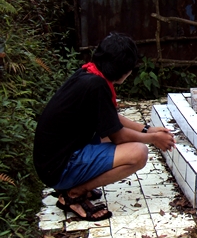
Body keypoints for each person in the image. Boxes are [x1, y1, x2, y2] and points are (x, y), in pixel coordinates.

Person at [33, 33, 175, 221]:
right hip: (59, 167)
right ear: (124, 70)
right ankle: (74, 193)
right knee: (138, 153)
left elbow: (110, 117)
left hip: (52, 159)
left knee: (114, 136)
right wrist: (153, 139)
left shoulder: (89, 74)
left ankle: (77, 185)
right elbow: (119, 136)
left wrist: (146, 129)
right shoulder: (96, 86)